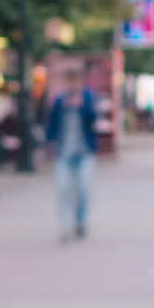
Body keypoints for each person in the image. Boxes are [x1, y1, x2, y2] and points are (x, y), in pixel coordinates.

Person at [44, 66, 98, 242]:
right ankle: (65, 225)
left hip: (84, 153)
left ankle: (80, 221)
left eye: (75, 80)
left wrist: (82, 105)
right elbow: (51, 125)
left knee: (83, 189)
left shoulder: (88, 98)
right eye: (69, 80)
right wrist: (48, 145)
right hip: (64, 153)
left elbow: (94, 119)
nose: (72, 84)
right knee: (63, 189)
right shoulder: (59, 101)